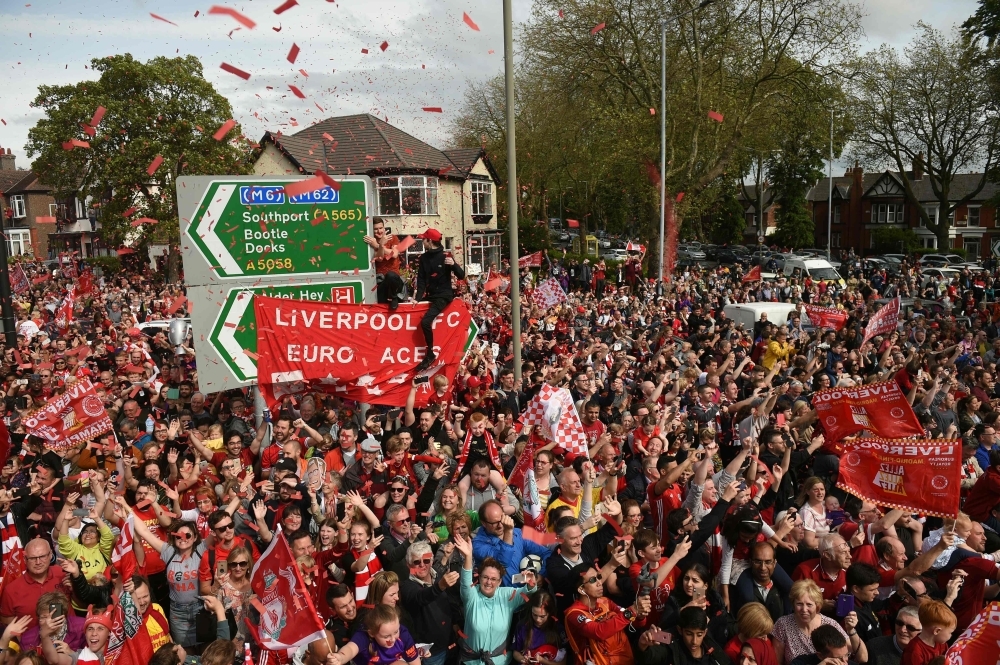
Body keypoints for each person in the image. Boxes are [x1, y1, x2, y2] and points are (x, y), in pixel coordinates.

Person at [117, 497, 207, 647]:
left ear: (195, 537)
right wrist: (126, 505)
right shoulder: (168, 551)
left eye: (188, 535)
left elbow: (221, 526)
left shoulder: (201, 549)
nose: (183, 539)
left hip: (200, 608)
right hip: (177, 613)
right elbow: (144, 531)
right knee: (183, 652)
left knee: (205, 650)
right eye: (179, 536)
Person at [453, 532, 536, 665]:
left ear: (499, 581)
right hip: (471, 662)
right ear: (479, 578)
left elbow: (528, 591)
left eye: (493, 579)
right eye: (485, 577)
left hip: (500, 661)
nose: (488, 582)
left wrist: (531, 581)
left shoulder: (507, 595)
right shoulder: (471, 595)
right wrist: (468, 556)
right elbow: (466, 580)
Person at [564, 563, 651, 665]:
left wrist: (640, 615)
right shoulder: (574, 614)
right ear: (581, 589)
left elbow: (635, 623)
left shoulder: (605, 602)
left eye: (598, 577)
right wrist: (632, 611)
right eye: (593, 580)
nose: (599, 582)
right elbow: (599, 632)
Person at [398, 541, 461, 665]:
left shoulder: (436, 576)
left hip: (450, 643)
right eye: (416, 562)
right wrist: (440, 586)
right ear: (408, 565)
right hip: (431, 653)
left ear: (431, 561)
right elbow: (421, 597)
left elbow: (448, 603)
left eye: (426, 560)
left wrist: (454, 623)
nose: (422, 565)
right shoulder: (407, 587)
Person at [772, 580, 863, 665]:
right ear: (793, 604)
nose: (804, 610)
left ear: (817, 606)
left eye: (809, 605)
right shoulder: (783, 624)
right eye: (799, 604)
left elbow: (862, 657)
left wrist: (851, 630)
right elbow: (776, 662)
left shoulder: (830, 624)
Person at [413, 227, 465, 372]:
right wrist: (417, 299)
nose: (422, 241)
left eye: (424, 239)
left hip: (444, 296)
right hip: (430, 295)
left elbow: (461, 276)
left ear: (430, 241)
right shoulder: (424, 258)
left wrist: (453, 265)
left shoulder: (445, 255)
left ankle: (430, 354)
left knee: (425, 322)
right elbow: (421, 280)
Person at [0, 538, 66, 628]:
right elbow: (8, 625)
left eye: (42, 556)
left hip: (70, 639)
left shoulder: (62, 573)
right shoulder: (11, 590)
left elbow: (80, 604)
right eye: (32, 558)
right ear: (25, 559)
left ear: (50, 555)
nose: (38, 562)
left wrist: (77, 579)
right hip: (30, 641)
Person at [327, 604, 420, 665]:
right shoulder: (363, 634)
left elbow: (415, 662)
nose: (393, 639)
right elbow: (351, 649)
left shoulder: (403, 634)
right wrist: (340, 657)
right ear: (371, 633)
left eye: (396, 632)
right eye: (386, 636)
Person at [635, 606, 731, 665]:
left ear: (705, 632)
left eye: (699, 635)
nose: (694, 641)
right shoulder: (670, 645)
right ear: (680, 630)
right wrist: (643, 645)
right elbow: (650, 656)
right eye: (689, 634)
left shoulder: (711, 646)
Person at [511, 592, 566, 665]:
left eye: (542, 616)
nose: (537, 619)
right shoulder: (522, 626)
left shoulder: (557, 627)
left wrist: (543, 661)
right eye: (534, 615)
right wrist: (524, 660)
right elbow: (516, 652)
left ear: (549, 613)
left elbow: (563, 662)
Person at [365, 217, 405, 309]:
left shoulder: (393, 238)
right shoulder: (371, 242)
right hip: (381, 282)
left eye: (381, 228)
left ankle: (394, 297)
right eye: (376, 229)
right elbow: (379, 258)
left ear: (384, 228)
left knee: (391, 275)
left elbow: (394, 254)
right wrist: (380, 246)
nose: (379, 231)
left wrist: (378, 245)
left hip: (395, 280)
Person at [900, 601, 956, 665]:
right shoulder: (914, 650)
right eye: (950, 632)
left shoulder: (942, 644)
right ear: (937, 631)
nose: (951, 636)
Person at [786, 625, 851, 665]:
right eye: (839, 659)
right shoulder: (802, 662)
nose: (845, 663)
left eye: (846, 655)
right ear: (820, 656)